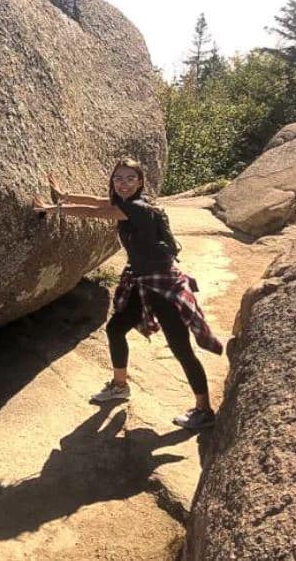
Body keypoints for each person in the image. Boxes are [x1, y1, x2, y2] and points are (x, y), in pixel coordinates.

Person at [32, 157, 222, 430]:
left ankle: (204, 411)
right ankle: (120, 386)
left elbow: (92, 213)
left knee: (181, 348)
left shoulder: (138, 209)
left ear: (140, 182)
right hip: (142, 281)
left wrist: (51, 208)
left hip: (162, 286)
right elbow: (99, 202)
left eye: (130, 179)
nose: (123, 184)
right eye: (118, 178)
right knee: (116, 328)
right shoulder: (128, 203)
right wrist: (64, 195)